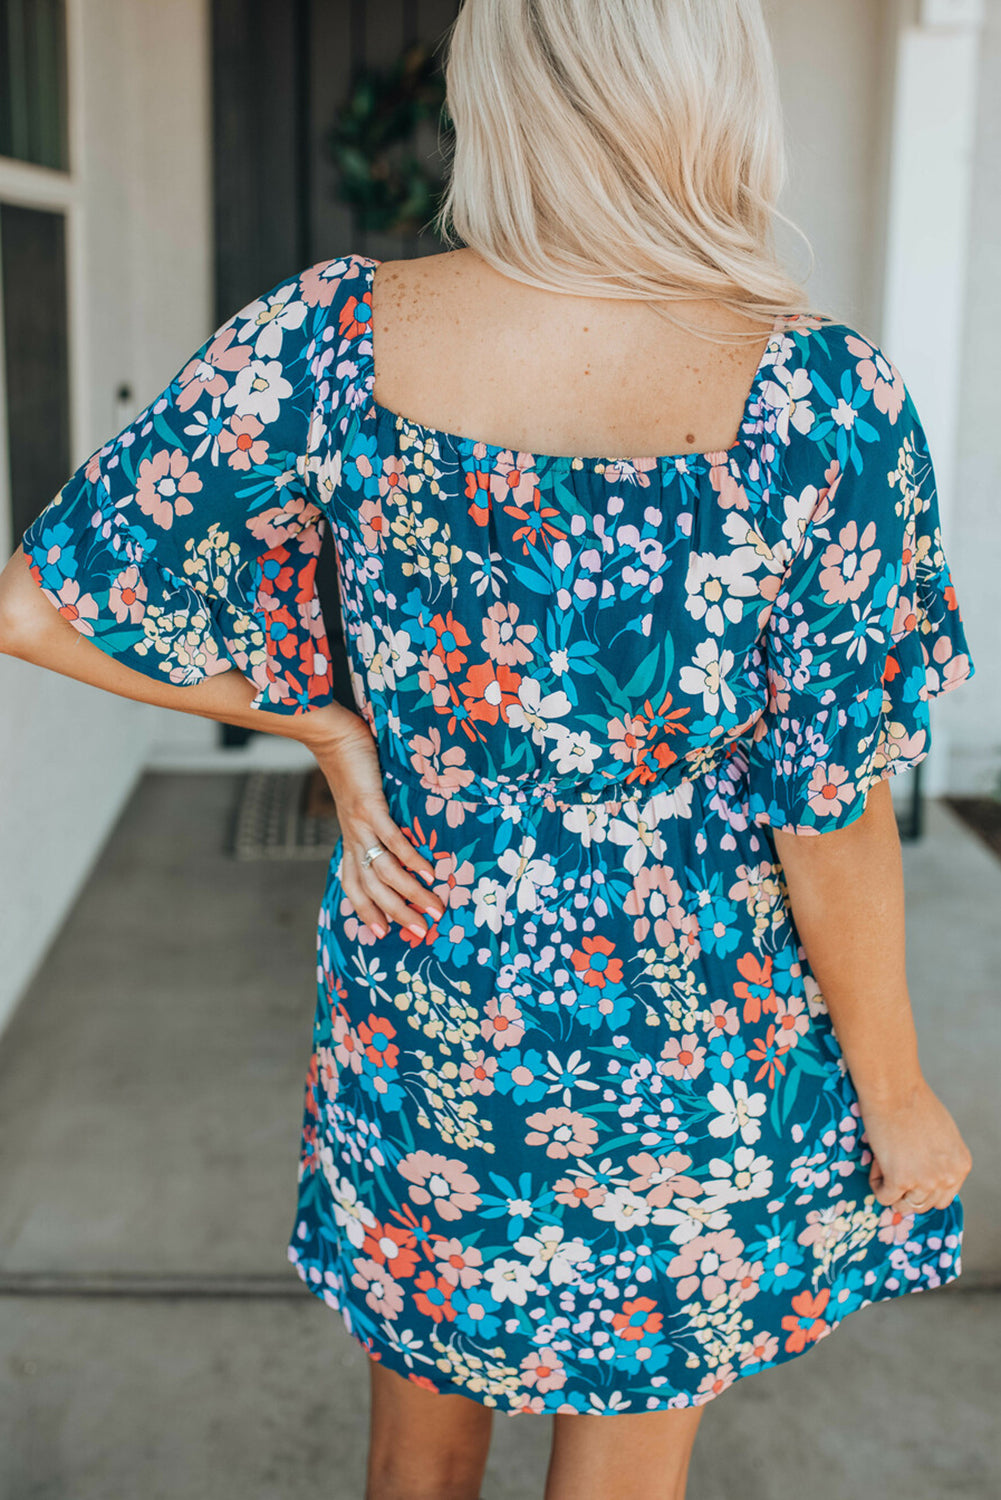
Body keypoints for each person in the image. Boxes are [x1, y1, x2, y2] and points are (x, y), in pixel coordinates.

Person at [0, 1, 976, 1496]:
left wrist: (321, 720)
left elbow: (35, 605)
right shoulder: (823, 405)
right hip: (692, 1023)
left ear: (496, 90)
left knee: (417, 1460)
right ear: (712, 94)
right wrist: (896, 1095)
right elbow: (827, 812)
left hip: (429, 981)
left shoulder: (329, 335)